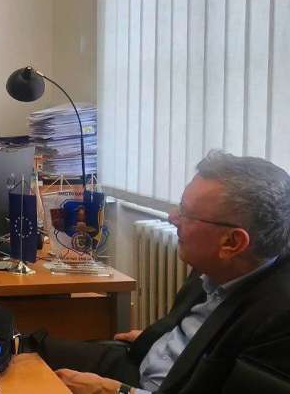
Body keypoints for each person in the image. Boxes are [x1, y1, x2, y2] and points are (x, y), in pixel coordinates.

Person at [36, 151, 290, 394]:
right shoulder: (218, 264)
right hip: (142, 362)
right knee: (26, 349)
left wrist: (114, 391)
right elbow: (201, 331)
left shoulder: (278, 322)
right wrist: (160, 340)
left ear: (232, 243)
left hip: (144, 387)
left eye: (187, 213)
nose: (172, 217)